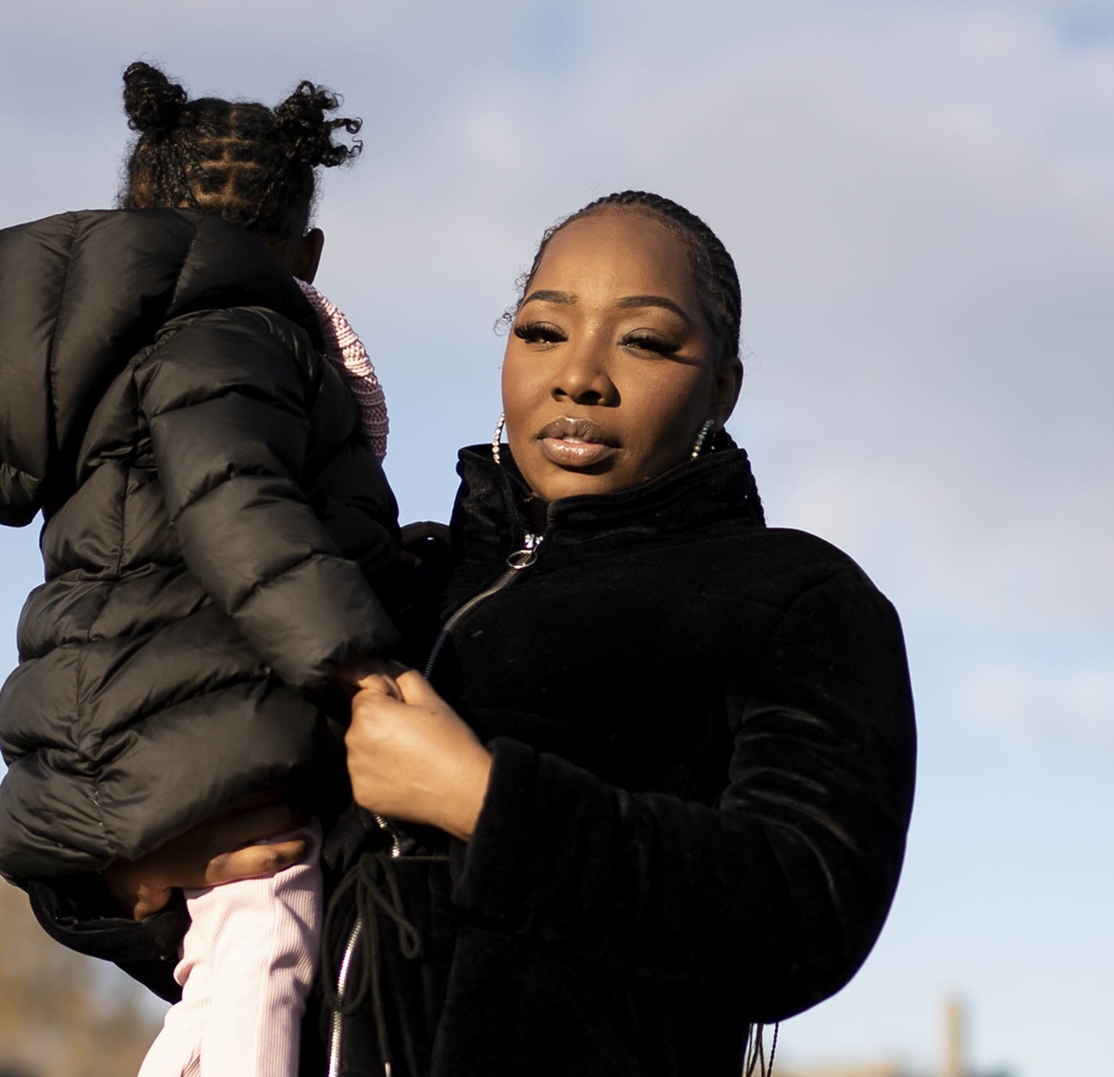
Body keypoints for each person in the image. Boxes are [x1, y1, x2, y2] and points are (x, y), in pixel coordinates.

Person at [317, 191, 919, 1076]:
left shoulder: (798, 597)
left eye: (643, 340)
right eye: (542, 332)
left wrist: (485, 802)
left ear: (723, 385)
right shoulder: (401, 584)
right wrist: (119, 885)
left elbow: (806, 909)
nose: (580, 377)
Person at [0, 61, 403, 1077]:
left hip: (118, 717)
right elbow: (237, 497)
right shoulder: (240, 329)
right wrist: (360, 666)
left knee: (233, 961)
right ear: (307, 253)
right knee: (269, 930)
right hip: (196, 724)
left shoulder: (115, 358)